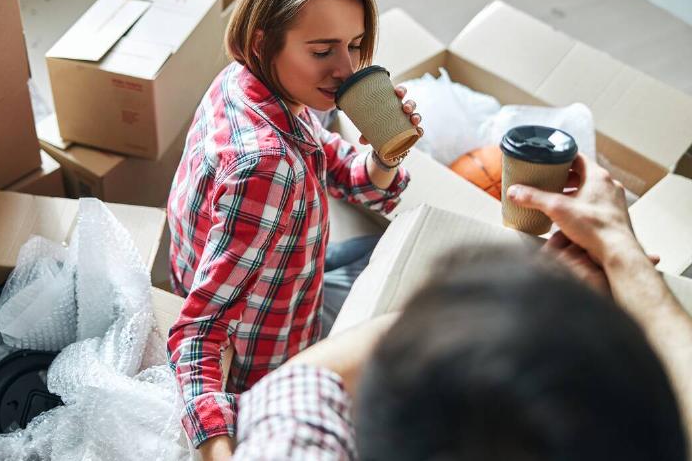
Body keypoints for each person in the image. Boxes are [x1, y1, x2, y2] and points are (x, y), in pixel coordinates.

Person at [231, 154, 692, 460]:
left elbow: (304, 381)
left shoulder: (286, 444)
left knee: (348, 255)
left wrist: (524, 301)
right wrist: (618, 248)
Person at [164, 0, 422, 457]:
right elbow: (198, 334)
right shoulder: (265, 167)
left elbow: (338, 166)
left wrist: (383, 156)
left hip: (279, 277)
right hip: (268, 357)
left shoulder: (247, 83)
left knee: (385, 255)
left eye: (354, 45)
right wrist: (221, 449)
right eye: (323, 51)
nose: (346, 71)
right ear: (264, 41)